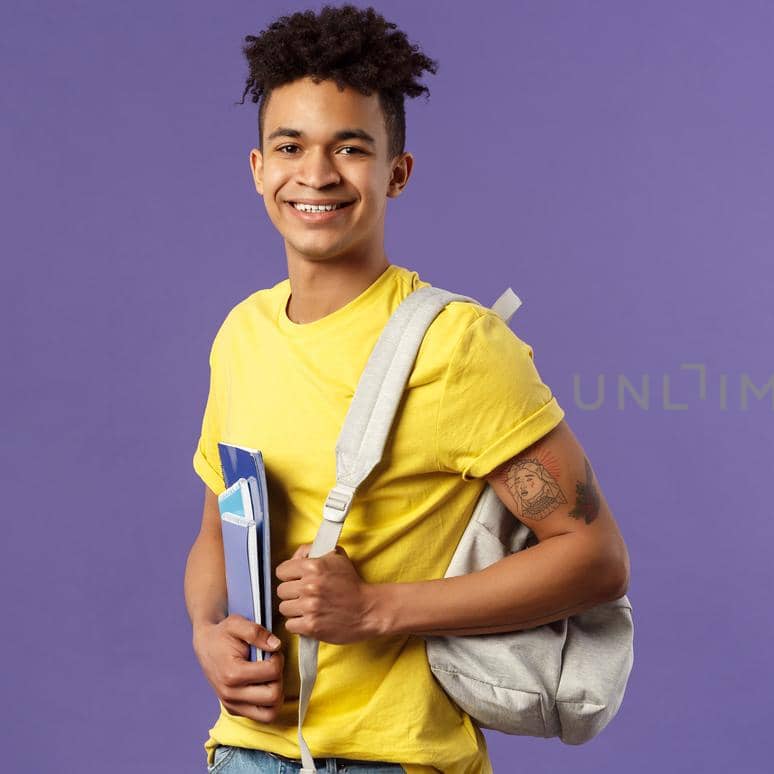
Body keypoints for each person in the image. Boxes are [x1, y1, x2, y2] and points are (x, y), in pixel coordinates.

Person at [182, 6, 631, 772]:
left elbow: (592, 556)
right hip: (246, 754)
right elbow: (220, 520)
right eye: (290, 146)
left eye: (349, 149)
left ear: (397, 171)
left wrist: (376, 609)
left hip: (396, 760)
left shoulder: (456, 346)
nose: (316, 174)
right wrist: (205, 631)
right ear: (258, 167)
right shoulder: (242, 334)